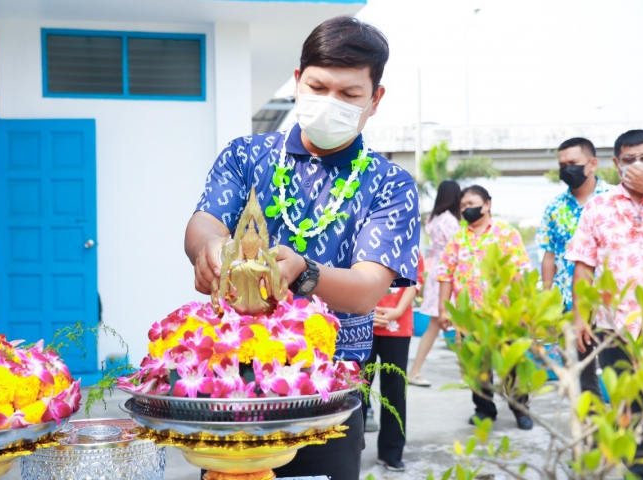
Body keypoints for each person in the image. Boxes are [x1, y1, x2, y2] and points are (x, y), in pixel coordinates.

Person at [185, 16, 420, 480]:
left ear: (375, 99)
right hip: (234, 380)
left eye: (349, 94)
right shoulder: (245, 156)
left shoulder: (390, 184)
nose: (330, 102)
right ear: (297, 81)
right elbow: (205, 221)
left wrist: (304, 271)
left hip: (328, 394)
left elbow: (366, 290)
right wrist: (208, 248)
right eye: (317, 86)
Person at [567, 129, 643, 477]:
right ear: (615, 163)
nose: (637, 165)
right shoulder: (599, 206)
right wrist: (581, 317)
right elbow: (584, 265)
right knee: (629, 407)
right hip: (615, 327)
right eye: (630, 159)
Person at [436, 185, 534, 430]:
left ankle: (520, 409)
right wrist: (443, 309)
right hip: (470, 318)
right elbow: (445, 274)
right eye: (462, 206)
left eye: (472, 204)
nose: (466, 209)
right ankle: (484, 409)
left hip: (505, 315)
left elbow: (520, 272)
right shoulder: (458, 239)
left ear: (487, 204)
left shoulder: (506, 234)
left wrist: (523, 308)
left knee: (512, 365)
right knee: (478, 366)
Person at [535, 137, 610, 398]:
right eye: (562, 165)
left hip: (610, 301)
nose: (567, 169)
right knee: (579, 372)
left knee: (618, 365)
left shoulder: (614, 200)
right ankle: (591, 422)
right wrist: (546, 297)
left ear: (592, 163)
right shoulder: (554, 207)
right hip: (568, 303)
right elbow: (549, 256)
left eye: (573, 163)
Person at [362, 252, 424, 472]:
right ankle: (350, 450)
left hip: (398, 325)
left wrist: (397, 311)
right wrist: (365, 310)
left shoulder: (408, 245)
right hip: (361, 321)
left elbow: (415, 280)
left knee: (395, 390)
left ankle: (391, 452)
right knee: (357, 389)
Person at [408, 180, 462, 387]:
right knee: (459, 323)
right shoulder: (450, 220)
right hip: (450, 273)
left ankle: (415, 370)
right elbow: (458, 248)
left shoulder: (434, 218)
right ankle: (468, 374)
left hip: (437, 271)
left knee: (435, 324)